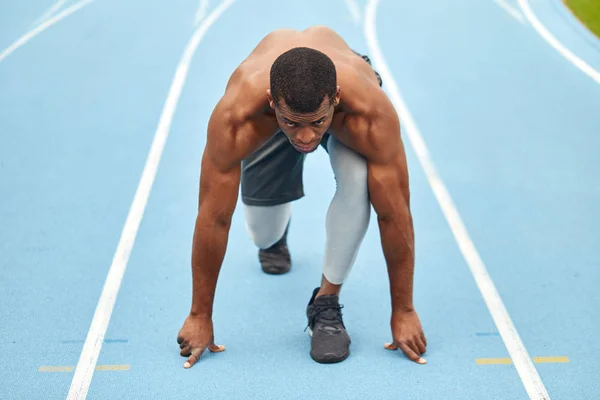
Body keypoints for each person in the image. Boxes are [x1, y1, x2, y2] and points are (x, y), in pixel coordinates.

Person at [177, 25, 427, 368]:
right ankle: (274, 236)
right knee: (262, 231)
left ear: (335, 98)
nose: (307, 137)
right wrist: (199, 315)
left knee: (359, 179)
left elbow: (394, 211)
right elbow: (214, 216)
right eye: (295, 124)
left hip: (342, 102)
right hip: (277, 115)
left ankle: (326, 302)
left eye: (316, 123)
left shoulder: (368, 113)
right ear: (271, 102)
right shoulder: (237, 116)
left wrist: (404, 310)